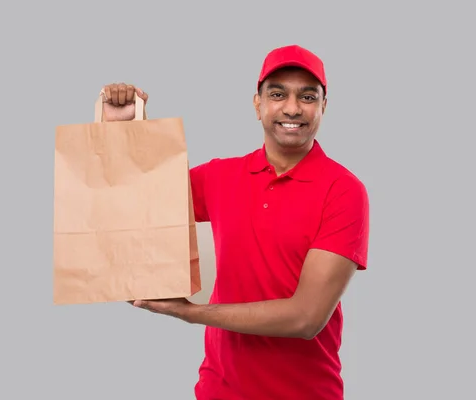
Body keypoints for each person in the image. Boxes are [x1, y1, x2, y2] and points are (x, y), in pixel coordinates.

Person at [100, 44, 370, 400]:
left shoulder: (344, 191)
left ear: (323, 106)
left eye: (307, 96)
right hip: (218, 390)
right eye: (277, 94)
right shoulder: (220, 176)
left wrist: (192, 313)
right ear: (257, 104)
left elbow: (306, 318)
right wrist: (124, 131)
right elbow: (139, 204)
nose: (292, 108)